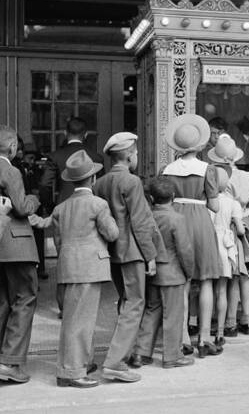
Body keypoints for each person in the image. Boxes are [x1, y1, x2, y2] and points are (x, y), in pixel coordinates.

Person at [43, 150, 118, 388]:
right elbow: (112, 233)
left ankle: (79, 363)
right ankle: (72, 371)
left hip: (68, 265)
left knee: (74, 318)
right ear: (93, 179)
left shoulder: (61, 208)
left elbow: (58, 241)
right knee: (81, 321)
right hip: (90, 265)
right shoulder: (98, 204)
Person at [94, 132, 158, 383]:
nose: (138, 156)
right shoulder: (132, 182)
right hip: (132, 251)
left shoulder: (100, 183)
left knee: (125, 302)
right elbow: (141, 222)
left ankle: (121, 353)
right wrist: (150, 255)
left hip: (111, 251)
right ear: (130, 155)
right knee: (135, 304)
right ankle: (114, 362)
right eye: (137, 153)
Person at [162, 114, 222, 358]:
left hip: (176, 219)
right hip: (200, 220)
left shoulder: (166, 170)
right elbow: (216, 206)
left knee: (183, 281)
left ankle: (184, 337)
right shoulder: (208, 169)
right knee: (206, 279)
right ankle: (204, 338)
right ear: (198, 145)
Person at [38, 117, 105, 312]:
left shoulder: (55, 156)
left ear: (65, 134)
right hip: (90, 210)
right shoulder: (96, 157)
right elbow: (100, 188)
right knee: (89, 256)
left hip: (64, 209)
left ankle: (64, 306)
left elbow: (44, 185)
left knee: (64, 259)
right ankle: (85, 305)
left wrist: (50, 207)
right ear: (85, 135)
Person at [129, 176, 195, 370]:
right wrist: (189, 272)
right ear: (173, 197)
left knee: (151, 311)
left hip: (152, 271)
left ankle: (141, 353)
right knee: (173, 315)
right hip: (173, 273)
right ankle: (172, 356)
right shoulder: (177, 218)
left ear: (151, 198)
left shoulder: (148, 216)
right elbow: (185, 250)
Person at [208, 133, 249, 337]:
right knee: (244, 276)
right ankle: (247, 319)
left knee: (232, 277)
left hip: (229, 227)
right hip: (246, 223)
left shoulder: (219, 176)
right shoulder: (248, 176)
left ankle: (230, 322)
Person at [0, 125, 41, 384]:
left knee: (2, 301)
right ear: (13, 147)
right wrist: (35, 199)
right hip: (16, 244)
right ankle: (10, 362)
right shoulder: (10, 170)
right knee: (25, 298)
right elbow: (21, 207)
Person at [211, 166, 244, 346]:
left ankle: (199, 327)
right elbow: (239, 229)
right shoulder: (233, 203)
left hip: (208, 245)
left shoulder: (206, 201)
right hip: (225, 246)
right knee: (222, 290)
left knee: (204, 288)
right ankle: (220, 331)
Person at [13, 138, 47, 280]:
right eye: (29, 157)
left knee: (38, 239)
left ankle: (40, 269)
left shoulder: (35, 170)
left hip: (34, 208)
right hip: (23, 207)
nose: (31, 161)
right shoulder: (16, 168)